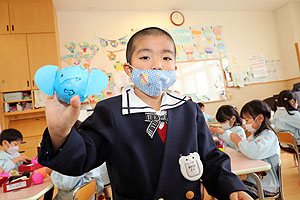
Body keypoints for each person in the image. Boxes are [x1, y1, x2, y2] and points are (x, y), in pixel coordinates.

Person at [38, 27, 253, 199]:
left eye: (166, 58)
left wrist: (232, 188)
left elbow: (210, 159)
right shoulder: (111, 111)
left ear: (175, 68)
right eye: (145, 58)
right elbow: (81, 159)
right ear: (129, 70)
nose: (157, 65)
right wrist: (59, 133)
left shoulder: (188, 108)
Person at [230, 100, 280, 198]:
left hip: (266, 185)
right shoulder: (256, 135)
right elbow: (244, 150)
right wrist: (240, 144)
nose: (245, 124)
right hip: (254, 180)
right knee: (229, 187)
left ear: (260, 118)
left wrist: (239, 142)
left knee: (234, 191)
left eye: (247, 120)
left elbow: (253, 152)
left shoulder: (269, 136)